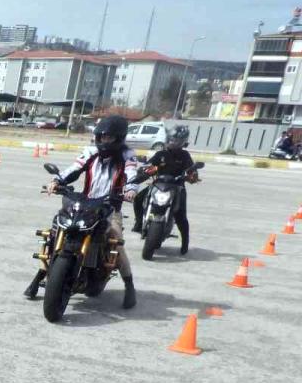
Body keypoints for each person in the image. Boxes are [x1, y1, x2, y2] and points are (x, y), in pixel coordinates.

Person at [24, 114, 139, 309]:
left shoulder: (127, 155)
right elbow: (74, 169)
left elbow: (132, 173)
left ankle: (129, 285)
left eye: (109, 138)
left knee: (115, 237)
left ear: (118, 138)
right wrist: (58, 181)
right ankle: (41, 274)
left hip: (110, 207)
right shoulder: (91, 152)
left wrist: (130, 190)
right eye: (102, 137)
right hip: (86, 203)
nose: (104, 141)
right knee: (56, 230)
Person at [132, 124, 200, 255]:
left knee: (181, 215)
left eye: (176, 140)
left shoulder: (185, 156)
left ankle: (185, 242)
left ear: (182, 142)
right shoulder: (160, 154)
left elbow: (192, 170)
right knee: (138, 199)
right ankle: (139, 222)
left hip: (177, 187)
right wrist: (145, 169)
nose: (172, 142)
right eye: (171, 139)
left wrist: (192, 175)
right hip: (158, 185)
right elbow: (150, 165)